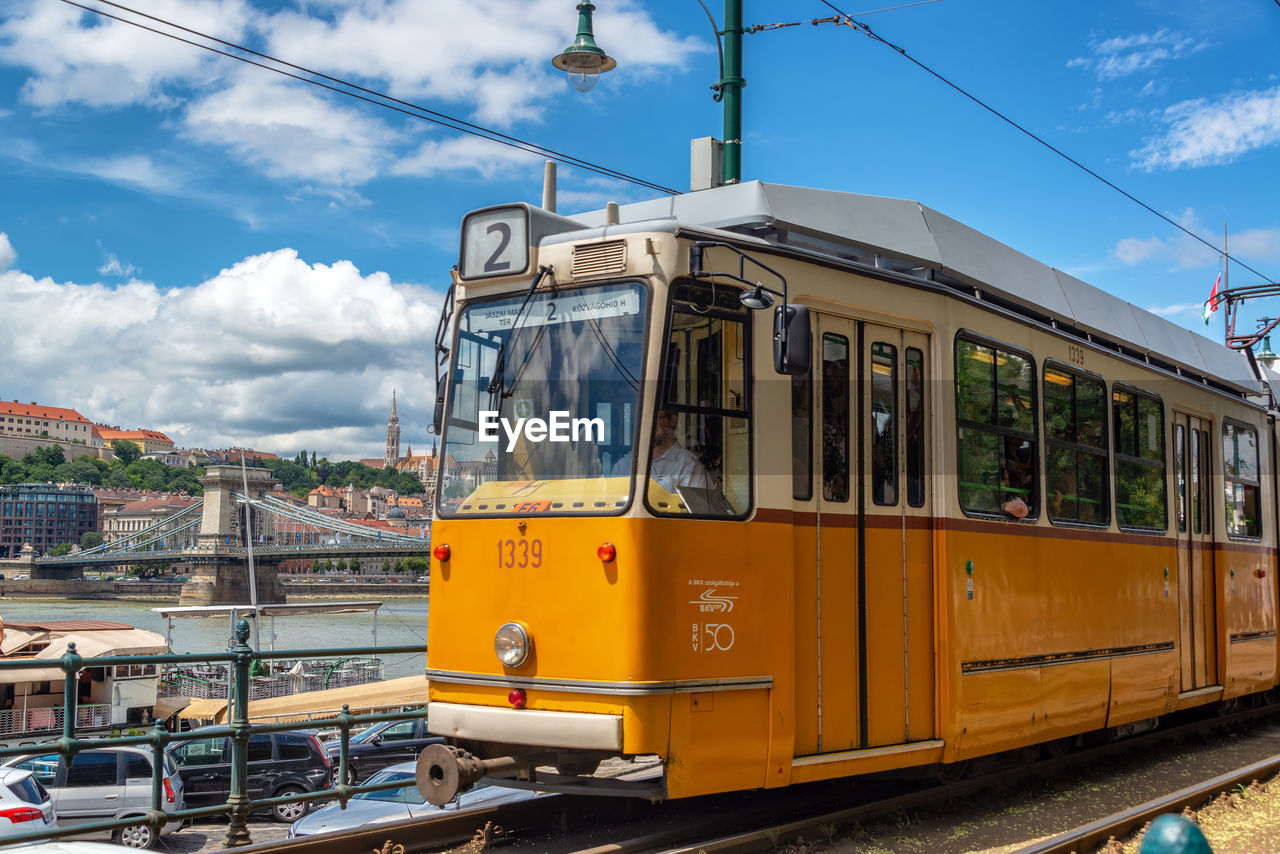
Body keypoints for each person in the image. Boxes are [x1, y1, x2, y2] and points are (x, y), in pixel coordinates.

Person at [613, 409, 711, 493]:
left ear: (673, 420)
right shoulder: (625, 464)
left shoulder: (689, 466)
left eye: (653, 417)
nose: (646, 424)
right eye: (642, 418)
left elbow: (698, 509)